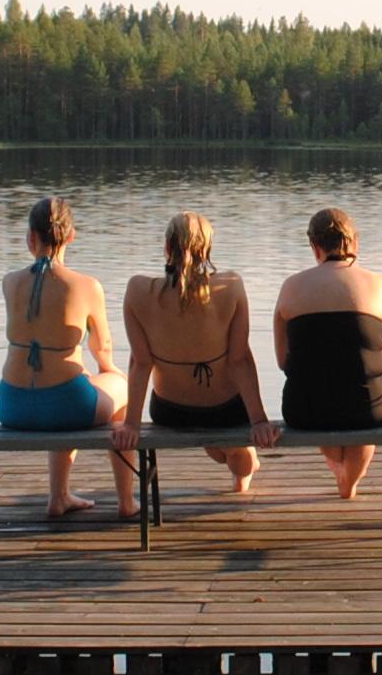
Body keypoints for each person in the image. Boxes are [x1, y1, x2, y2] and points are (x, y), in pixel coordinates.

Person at [0, 195, 135, 523]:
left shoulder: (10, 282)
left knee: (72, 381)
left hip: (11, 406)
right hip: (65, 405)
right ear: (71, 236)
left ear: (31, 238)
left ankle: (58, 496)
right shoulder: (87, 286)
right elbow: (103, 350)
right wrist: (110, 373)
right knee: (121, 389)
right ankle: (127, 501)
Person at [119, 212, 281, 495]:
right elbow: (239, 358)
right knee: (234, 451)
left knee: (222, 448)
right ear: (207, 251)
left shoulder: (137, 290)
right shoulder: (230, 286)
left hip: (170, 411)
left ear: (167, 248)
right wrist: (258, 420)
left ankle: (232, 456)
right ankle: (241, 466)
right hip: (225, 411)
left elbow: (141, 363)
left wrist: (131, 424)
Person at [271, 204, 382, 499]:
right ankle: (349, 483)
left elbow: (283, 361)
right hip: (372, 408)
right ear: (355, 243)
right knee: (365, 401)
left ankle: (344, 476)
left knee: (319, 391)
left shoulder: (291, 287)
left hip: (304, 411)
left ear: (314, 246)